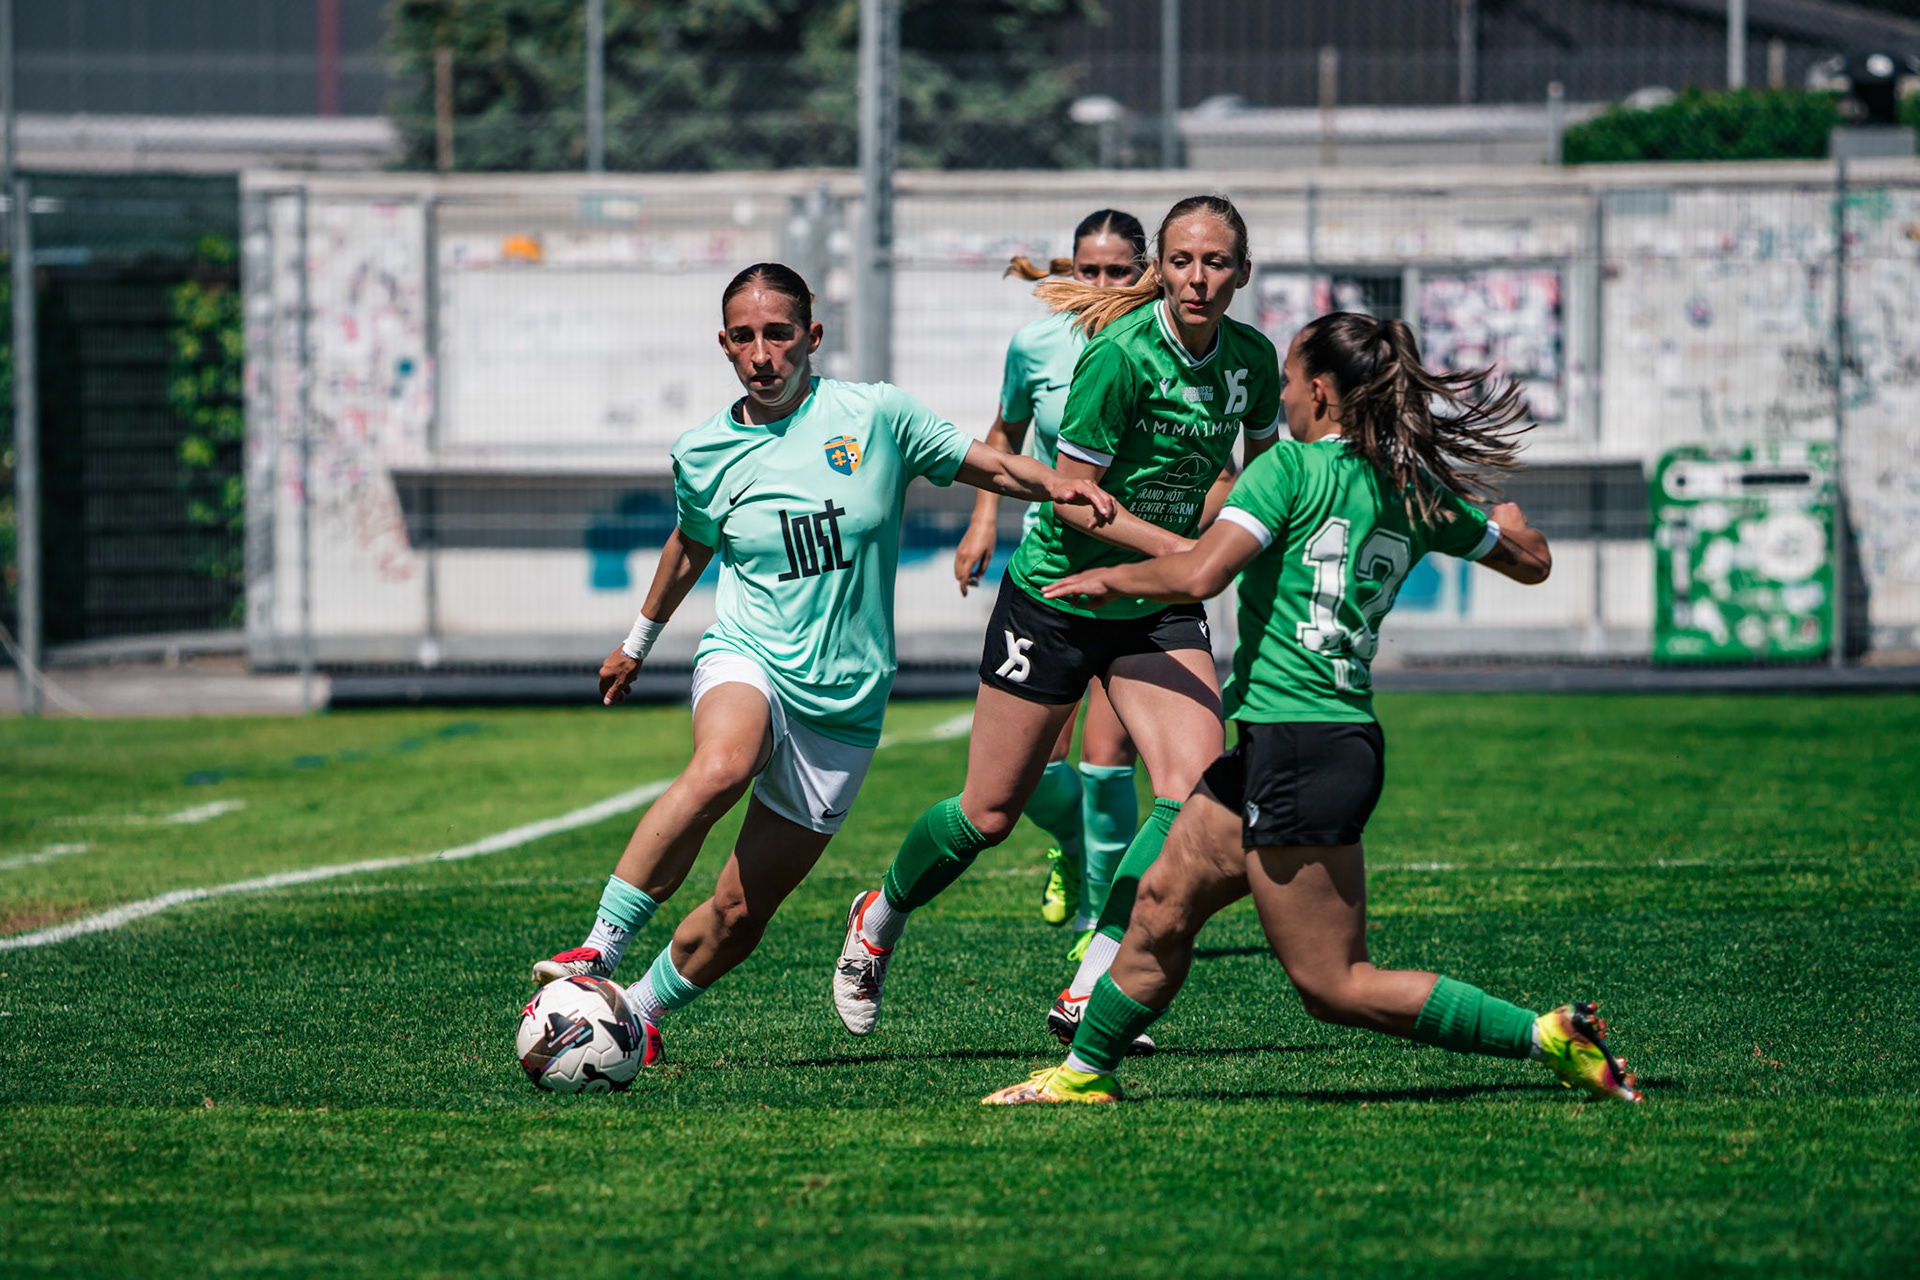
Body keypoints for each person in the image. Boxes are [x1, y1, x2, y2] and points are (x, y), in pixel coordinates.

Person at [980, 312, 1643, 1106]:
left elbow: (1200, 577)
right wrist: (1511, 528)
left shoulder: (1288, 469)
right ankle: (1081, 1077)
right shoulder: (1411, 488)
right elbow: (1531, 563)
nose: (1283, 394)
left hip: (1303, 745)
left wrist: (1110, 578)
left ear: (1320, 391)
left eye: (1291, 380)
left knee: (1333, 984)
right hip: (1295, 741)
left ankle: (1544, 1036)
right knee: (1161, 902)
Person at [530, 263, 1115, 1064]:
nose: (762, 352)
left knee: (744, 910)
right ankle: (599, 948)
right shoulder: (703, 450)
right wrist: (636, 644)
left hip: (845, 701)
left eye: (778, 334)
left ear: (812, 337)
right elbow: (690, 546)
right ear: (725, 346)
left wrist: (1066, 489)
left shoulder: (875, 415)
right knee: (724, 764)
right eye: (743, 337)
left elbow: (996, 466)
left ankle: (635, 1013)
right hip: (750, 655)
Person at [833, 196, 1282, 1047]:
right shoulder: (1118, 355)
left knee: (1195, 792)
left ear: (1242, 274)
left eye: (1216, 262)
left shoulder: (1254, 360)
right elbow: (1075, 502)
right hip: (1059, 596)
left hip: (1156, 604)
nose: (1197, 276)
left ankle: (1094, 974)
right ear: (1164, 269)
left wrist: (1228, 542)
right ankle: (877, 917)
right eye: (1181, 260)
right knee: (989, 815)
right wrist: (1188, 554)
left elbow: (1261, 479)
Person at [953, 210, 1151, 936]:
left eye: (1118, 271)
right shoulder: (1037, 344)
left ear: (1147, 272)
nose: (1100, 285)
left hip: (1138, 580)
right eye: (1087, 270)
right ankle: (1070, 845)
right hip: (1053, 574)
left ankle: (1106, 929)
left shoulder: (1166, 345)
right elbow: (1003, 437)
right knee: (1036, 769)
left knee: (1109, 757)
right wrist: (983, 523)